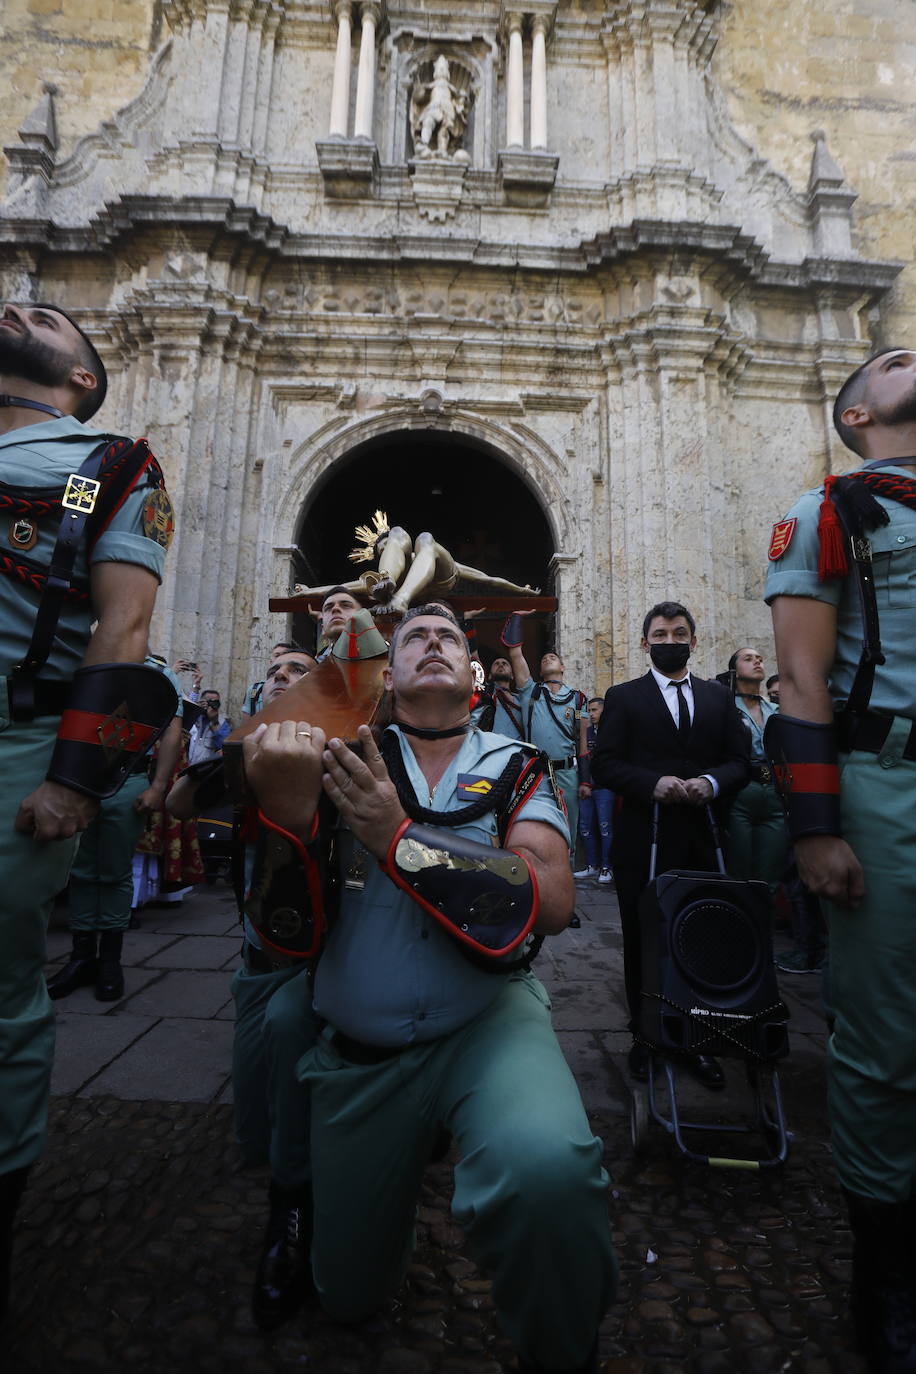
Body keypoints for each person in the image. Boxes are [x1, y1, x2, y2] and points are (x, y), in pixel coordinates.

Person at [240, 605, 616, 1373]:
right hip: (364, 1045)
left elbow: (550, 897)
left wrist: (396, 838)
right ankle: (349, 1200)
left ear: (473, 667)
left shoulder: (517, 762)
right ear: (391, 671)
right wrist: (284, 814)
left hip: (486, 1020)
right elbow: (285, 936)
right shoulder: (330, 752)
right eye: (415, 636)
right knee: (348, 1297)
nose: (435, 642)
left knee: (548, 1171)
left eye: (449, 635)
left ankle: (566, 1350)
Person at [0, 300, 174, 1316]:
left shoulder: (100, 468)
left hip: (15, 749)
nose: (24, 304)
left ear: (82, 380)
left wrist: (71, 779)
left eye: (55, 319)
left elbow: (125, 624)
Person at [765, 346, 916, 1372]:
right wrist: (817, 828)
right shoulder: (827, 511)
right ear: (855, 415)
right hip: (889, 788)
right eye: (892, 361)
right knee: (887, 1036)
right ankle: (889, 1270)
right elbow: (800, 680)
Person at [591, 600, 750, 1089]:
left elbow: (740, 761)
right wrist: (650, 783)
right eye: (659, 636)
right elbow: (605, 764)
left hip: (704, 840)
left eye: (678, 634)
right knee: (644, 940)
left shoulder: (718, 699)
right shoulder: (624, 697)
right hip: (645, 839)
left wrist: (711, 781)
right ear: (645, 643)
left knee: (703, 940)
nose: (669, 643)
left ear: (693, 641)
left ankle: (697, 1040)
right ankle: (647, 1037)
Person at [47, 655, 184, 1001]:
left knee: (114, 872)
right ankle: (81, 958)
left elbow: (171, 731)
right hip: (77, 779)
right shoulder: (87, 659)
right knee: (80, 871)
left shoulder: (160, 674)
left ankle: (109, 961)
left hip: (128, 779)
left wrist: (157, 787)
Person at [500, 614, 589, 858]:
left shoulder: (579, 698)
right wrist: (516, 617)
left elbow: (582, 739)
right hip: (537, 772)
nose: (548, 657)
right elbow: (515, 654)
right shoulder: (531, 691)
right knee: (532, 823)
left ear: (562, 668)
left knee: (568, 830)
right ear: (539, 670)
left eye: (554, 657)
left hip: (568, 774)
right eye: (544, 658)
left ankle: (565, 879)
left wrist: (585, 779)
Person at [723, 648, 786, 911]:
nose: (757, 661)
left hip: (774, 792)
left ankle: (763, 940)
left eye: (759, 658)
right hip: (740, 791)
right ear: (735, 671)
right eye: (748, 658)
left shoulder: (776, 709)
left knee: (770, 873)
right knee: (738, 870)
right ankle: (735, 938)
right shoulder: (725, 707)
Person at [574, 698, 614, 885]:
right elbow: (582, 760)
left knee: (605, 828)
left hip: (606, 788)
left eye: (595, 710)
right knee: (585, 828)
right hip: (586, 788)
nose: (591, 714)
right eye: (589, 710)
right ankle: (592, 866)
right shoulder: (586, 733)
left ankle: (607, 867)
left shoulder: (612, 733)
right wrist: (584, 783)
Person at [241, 641, 303, 717]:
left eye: (285, 654)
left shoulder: (299, 687)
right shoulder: (254, 690)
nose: (281, 658)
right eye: (277, 655)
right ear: (271, 662)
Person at [187, 688, 230, 763]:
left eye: (215, 702)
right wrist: (196, 709)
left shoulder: (222, 723)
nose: (212, 705)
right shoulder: (194, 718)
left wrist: (214, 723)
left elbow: (225, 747)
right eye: (209, 702)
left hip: (207, 769)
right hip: (187, 766)